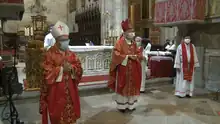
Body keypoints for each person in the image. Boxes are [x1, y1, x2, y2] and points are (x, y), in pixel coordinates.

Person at [40, 21, 83, 124]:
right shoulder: (49, 54)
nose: (66, 42)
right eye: (63, 40)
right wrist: (62, 69)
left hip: (70, 91)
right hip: (56, 92)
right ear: (56, 40)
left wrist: (72, 68)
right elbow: (46, 73)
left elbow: (79, 68)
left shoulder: (71, 54)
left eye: (67, 40)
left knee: (71, 116)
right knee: (58, 118)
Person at [108, 19, 143, 112]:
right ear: (125, 33)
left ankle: (131, 105)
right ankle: (122, 106)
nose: (132, 34)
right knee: (123, 86)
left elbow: (139, 53)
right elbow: (116, 53)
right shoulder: (120, 42)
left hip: (133, 69)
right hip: (123, 69)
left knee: (132, 86)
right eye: (130, 32)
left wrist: (137, 56)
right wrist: (127, 57)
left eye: (133, 32)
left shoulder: (134, 43)